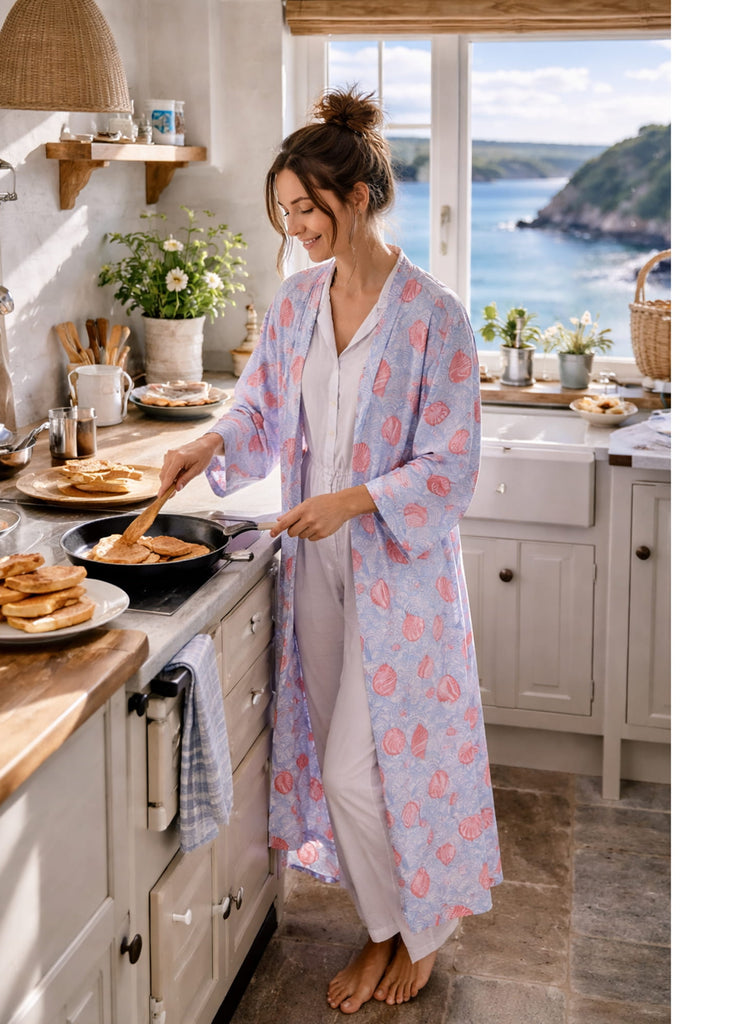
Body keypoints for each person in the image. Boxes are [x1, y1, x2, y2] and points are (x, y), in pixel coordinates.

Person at [156, 88, 503, 1014]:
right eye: (285, 213)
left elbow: (450, 464)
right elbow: (262, 413)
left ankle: (411, 935)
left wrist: (354, 500)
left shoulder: (436, 317)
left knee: (363, 768)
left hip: (401, 575)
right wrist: (206, 447)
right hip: (316, 570)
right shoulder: (300, 301)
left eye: (306, 210)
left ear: (355, 199)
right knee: (339, 761)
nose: (295, 228)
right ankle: (390, 928)